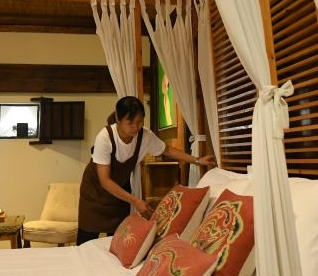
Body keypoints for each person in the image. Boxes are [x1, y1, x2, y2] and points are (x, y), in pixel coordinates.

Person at [76, 95, 214, 246]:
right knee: (86, 239)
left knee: (117, 242)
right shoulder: (106, 137)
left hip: (119, 194)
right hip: (95, 193)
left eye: (139, 122)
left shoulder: (144, 136)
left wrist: (196, 160)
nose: (135, 127)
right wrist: (135, 201)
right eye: (130, 122)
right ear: (118, 118)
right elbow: (105, 180)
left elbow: (166, 149)